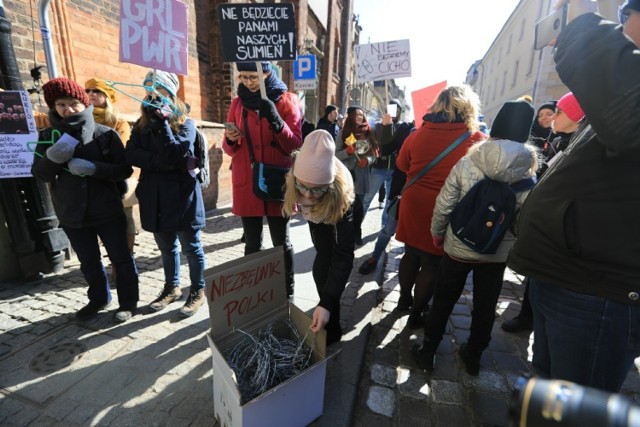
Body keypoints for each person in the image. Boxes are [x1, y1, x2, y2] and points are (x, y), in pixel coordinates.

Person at [507, 0, 640, 393]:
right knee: (549, 396)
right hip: (570, 281)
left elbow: (626, 114)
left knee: (572, 406)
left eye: (626, 17)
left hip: (597, 293)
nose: (620, 26)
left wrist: (580, 23)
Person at [412, 100, 538, 376]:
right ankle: (474, 355)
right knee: (485, 305)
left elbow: (445, 202)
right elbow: (523, 222)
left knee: (443, 299)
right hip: (495, 254)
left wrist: (437, 233)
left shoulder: (469, 161)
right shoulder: (528, 172)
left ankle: (428, 350)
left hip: (458, 245)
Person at [31, 77, 139, 322]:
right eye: (60, 105)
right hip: (71, 213)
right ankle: (99, 298)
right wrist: (52, 159)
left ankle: (128, 302)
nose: (67, 110)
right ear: (53, 107)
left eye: (72, 104)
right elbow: (39, 173)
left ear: (83, 103)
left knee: (121, 259)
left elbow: (124, 170)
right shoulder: (48, 135)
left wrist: (94, 168)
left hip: (107, 210)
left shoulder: (105, 135)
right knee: (89, 262)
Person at [393, 85, 485, 328]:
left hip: (413, 203)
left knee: (410, 254)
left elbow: (401, 165)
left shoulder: (417, 134)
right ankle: (416, 314)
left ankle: (403, 300)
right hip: (448, 207)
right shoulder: (477, 140)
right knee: (432, 263)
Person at [502, 92, 586, 334]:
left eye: (558, 112)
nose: (551, 118)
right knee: (535, 276)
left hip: (563, 224)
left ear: (577, 115)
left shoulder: (581, 145)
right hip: (544, 219)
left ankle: (537, 319)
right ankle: (527, 316)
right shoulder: (559, 141)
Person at [125, 70, 206, 317]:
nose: (153, 96)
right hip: (155, 197)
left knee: (191, 247)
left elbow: (178, 153)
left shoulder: (186, 124)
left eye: (159, 91)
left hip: (182, 198)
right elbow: (131, 154)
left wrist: (162, 125)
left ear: (171, 94)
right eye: (149, 90)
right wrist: (161, 162)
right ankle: (172, 287)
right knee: (166, 247)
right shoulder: (140, 126)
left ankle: (198, 290)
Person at [223, 61, 302, 298]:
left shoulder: (288, 100)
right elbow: (229, 149)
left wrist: (276, 121)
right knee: (252, 244)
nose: (248, 82)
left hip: (276, 179)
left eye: (253, 77)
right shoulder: (238, 103)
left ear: (267, 73)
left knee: (281, 242)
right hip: (247, 180)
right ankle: (254, 293)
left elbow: (295, 145)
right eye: (243, 77)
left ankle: (286, 292)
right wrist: (231, 137)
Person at [283, 129, 355, 345]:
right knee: (322, 261)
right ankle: (326, 310)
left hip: (334, 210)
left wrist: (326, 302)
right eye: (302, 187)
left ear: (329, 186)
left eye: (315, 190)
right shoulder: (296, 179)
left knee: (331, 265)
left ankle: (331, 324)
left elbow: (343, 256)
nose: (307, 196)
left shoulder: (343, 197)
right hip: (320, 221)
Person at [84, 78, 137, 274]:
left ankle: (125, 257)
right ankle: (112, 258)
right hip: (90, 180)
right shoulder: (80, 118)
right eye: (88, 90)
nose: (91, 94)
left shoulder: (117, 121)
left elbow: (122, 150)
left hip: (116, 179)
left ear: (106, 96)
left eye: (96, 91)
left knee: (125, 217)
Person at [362, 99, 413, 227]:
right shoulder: (378, 126)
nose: (394, 112)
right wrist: (385, 126)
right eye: (391, 109)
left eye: (397, 110)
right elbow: (380, 145)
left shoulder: (404, 127)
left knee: (390, 201)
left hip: (396, 169)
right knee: (367, 198)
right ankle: (356, 226)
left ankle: (384, 227)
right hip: (379, 167)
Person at [335, 106, 377, 245]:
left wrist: (367, 160)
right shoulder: (343, 133)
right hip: (347, 175)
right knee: (347, 206)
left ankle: (357, 233)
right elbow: (335, 155)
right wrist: (347, 151)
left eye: (362, 115)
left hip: (361, 175)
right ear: (351, 116)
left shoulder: (368, 133)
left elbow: (374, 155)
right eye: (357, 115)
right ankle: (345, 234)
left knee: (359, 208)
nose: (360, 117)